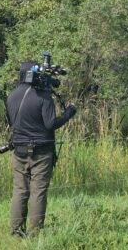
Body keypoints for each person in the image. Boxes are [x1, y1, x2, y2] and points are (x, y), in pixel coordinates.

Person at [6, 61, 76, 237]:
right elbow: (51, 124)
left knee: (20, 191)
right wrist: (68, 113)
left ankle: (16, 233)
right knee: (38, 192)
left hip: (19, 150)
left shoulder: (12, 96)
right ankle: (35, 233)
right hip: (41, 152)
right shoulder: (44, 96)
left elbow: (11, 123)